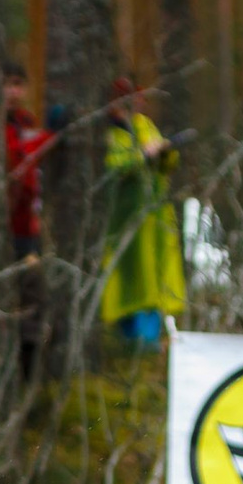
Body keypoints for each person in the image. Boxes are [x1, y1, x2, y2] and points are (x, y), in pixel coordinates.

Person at [98, 79, 185, 345]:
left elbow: (167, 162)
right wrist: (141, 156)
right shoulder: (107, 134)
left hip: (154, 219)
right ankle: (128, 343)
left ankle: (148, 343)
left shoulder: (143, 125)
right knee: (128, 284)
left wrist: (163, 152)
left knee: (154, 283)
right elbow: (113, 167)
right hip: (124, 221)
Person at [3, 63, 58, 375]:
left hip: (28, 229)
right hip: (5, 230)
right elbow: (18, 164)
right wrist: (50, 137)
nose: (13, 92)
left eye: (18, 84)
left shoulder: (25, 122)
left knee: (33, 297)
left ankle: (29, 370)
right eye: (8, 84)